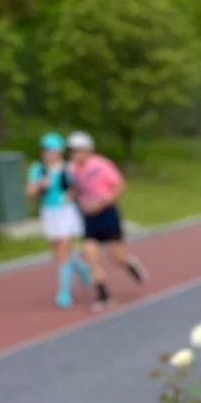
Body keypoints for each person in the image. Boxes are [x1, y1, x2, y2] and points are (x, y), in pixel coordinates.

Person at [66, 131, 147, 310]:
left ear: (88, 150)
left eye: (77, 150)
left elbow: (119, 185)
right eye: (71, 151)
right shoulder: (71, 169)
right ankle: (103, 294)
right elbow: (74, 189)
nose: (74, 154)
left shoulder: (101, 165)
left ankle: (130, 264)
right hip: (88, 217)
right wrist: (69, 198)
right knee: (89, 253)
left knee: (115, 258)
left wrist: (103, 202)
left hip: (107, 214)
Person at [25, 133, 90, 308]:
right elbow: (30, 192)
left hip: (67, 211)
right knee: (58, 253)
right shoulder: (37, 169)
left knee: (63, 251)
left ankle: (64, 292)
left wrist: (70, 195)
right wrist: (40, 185)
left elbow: (79, 187)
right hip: (49, 212)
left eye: (52, 150)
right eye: (46, 150)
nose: (49, 154)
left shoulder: (69, 168)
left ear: (59, 152)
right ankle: (81, 267)